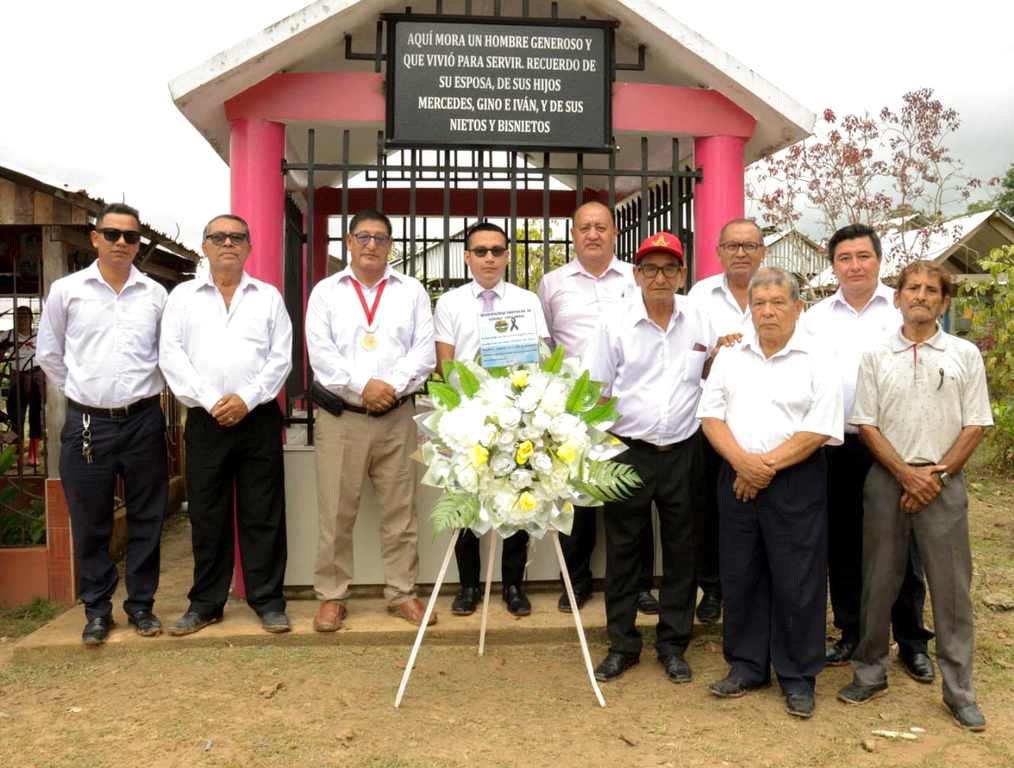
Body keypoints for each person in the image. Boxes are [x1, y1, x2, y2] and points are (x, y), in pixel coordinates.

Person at [838, 261, 992, 731]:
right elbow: (866, 424)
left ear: (944, 302)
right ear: (898, 297)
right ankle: (869, 672)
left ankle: (959, 691)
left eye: (931, 290)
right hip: (888, 479)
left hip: (943, 482)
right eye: (912, 288)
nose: (921, 295)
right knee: (877, 583)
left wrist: (934, 479)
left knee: (951, 590)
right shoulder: (876, 354)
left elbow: (975, 424)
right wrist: (906, 475)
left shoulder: (964, 354)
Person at [698, 266, 843, 719]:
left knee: (798, 579)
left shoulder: (819, 357)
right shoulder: (731, 356)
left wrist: (762, 467)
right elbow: (711, 416)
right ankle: (747, 666)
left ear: (798, 307)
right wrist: (742, 463)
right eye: (759, 303)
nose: (768, 312)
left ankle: (798, 676)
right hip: (737, 477)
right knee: (741, 574)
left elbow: (819, 427)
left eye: (778, 302)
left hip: (796, 479)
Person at [35, 203, 169, 645]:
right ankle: (97, 610)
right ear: (95, 238)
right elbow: (49, 354)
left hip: (143, 420)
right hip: (87, 423)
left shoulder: (155, 295)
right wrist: (84, 391)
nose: (121, 243)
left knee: (148, 517)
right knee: (91, 521)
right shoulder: (67, 291)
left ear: (138, 244)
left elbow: (166, 354)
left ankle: (141, 606)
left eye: (130, 236)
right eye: (112, 234)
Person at [584, 232, 714, 683]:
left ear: (682, 274)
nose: (660, 277)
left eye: (669, 268)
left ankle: (674, 645)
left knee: (683, 553)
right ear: (637, 275)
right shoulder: (614, 322)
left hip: (685, 451)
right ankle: (622, 645)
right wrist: (599, 455)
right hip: (627, 451)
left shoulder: (699, 319)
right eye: (651, 269)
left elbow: (712, 372)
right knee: (623, 554)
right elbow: (597, 391)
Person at [802, 224, 932, 675]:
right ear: (833, 265)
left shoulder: (901, 310)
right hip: (836, 446)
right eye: (844, 258)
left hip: (895, 447)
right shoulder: (815, 318)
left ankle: (912, 641)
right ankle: (851, 632)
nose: (854, 266)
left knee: (902, 545)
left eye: (863, 256)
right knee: (843, 545)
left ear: (878, 260)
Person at [160, 214, 293, 635]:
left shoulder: (268, 297)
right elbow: (171, 356)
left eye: (237, 237)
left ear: (249, 247)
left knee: (263, 512)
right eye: (218, 237)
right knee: (207, 514)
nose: (228, 243)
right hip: (206, 419)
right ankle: (205, 604)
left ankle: (268, 601)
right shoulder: (183, 297)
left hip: (257, 418)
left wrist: (246, 399)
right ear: (205, 247)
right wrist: (211, 400)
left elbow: (281, 358)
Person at [306, 209, 436, 631]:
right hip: (342, 417)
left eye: (380, 238)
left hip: (396, 416)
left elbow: (424, 352)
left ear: (391, 245)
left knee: (401, 512)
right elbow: (321, 355)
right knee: (335, 513)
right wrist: (365, 386)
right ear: (349, 242)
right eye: (363, 236)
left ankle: (402, 593)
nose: (371, 245)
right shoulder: (326, 292)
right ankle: (332, 597)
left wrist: (389, 388)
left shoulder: (411, 291)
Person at [537, 201, 657, 615]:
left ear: (614, 233)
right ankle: (576, 582)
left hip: (629, 406)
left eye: (601, 227)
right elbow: (547, 346)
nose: (593, 234)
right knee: (577, 499)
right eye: (584, 227)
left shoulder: (635, 278)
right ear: (573, 235)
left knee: (632, 496)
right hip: (575, 410)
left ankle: (640, 585)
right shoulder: (552, 283)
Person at [434, 222, 549, 617]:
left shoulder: (526, 300)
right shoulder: (450, 303)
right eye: (480, 251)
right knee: (466, 501)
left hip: (517, 416)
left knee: (516, 498)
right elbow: (445, 364)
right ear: (467, 257)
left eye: (497, 251)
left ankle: (513, 586)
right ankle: (468, 586)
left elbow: (539, 357)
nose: (489, 258)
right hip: (467, 417)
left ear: (507, 256)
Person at [686, 218, 768, 624]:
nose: (741, 253)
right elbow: (687, 364)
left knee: (759, 510)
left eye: (749, 245)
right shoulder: (700, 296)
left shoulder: (777, 291)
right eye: (732, 246)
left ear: (763, 252)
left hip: (765, 422)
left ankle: (753, 589)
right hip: (714, 424)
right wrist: (714, 356)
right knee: (708, 510)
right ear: (718, 252)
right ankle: (713, 588)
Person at [1, 306, 44, 466]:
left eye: (25, 317)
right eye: (18, 317)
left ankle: (33, 456)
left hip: (36, 379)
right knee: (15, 418)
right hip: (17, 379)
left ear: (31, 319)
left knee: (35, 417)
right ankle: (15, 455)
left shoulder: (40, 334)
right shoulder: (9, 335)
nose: (22, 320)